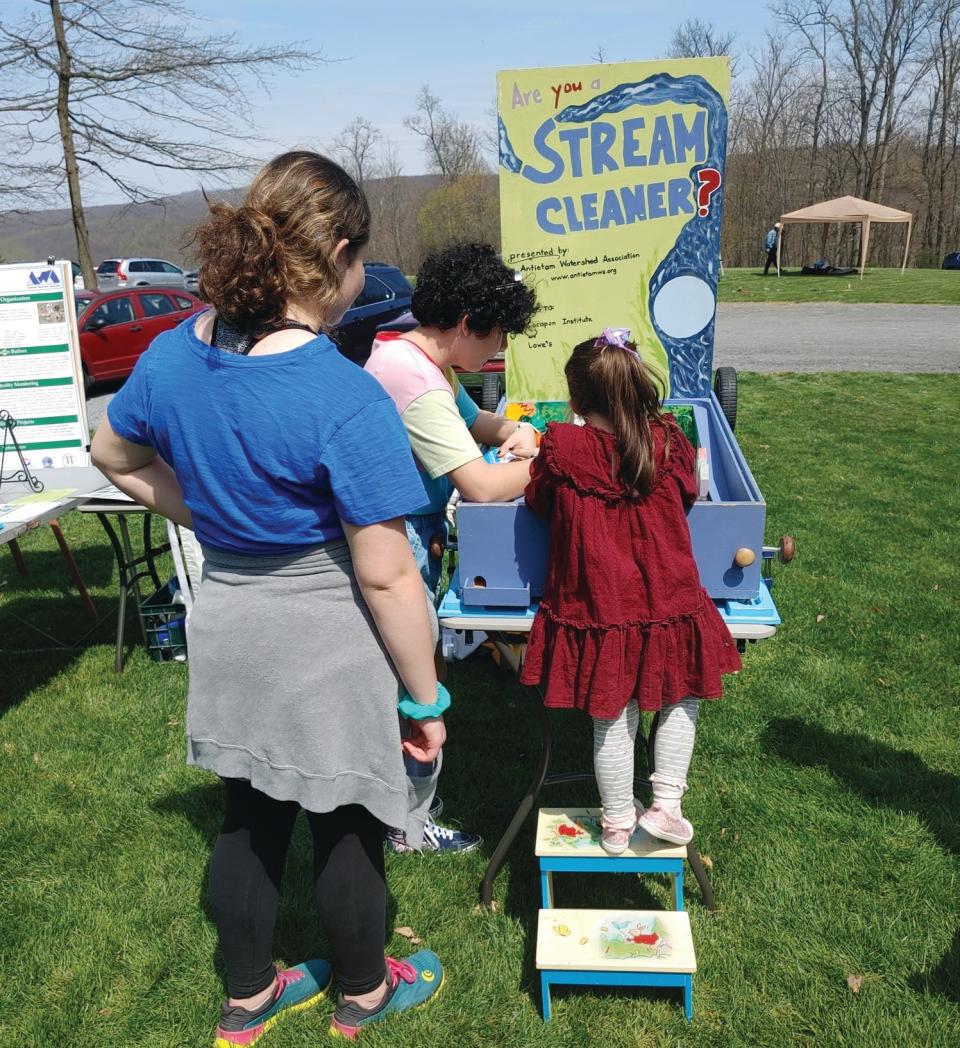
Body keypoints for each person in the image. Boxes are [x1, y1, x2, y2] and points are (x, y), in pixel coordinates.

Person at [91, 151, 445, 1045]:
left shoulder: (174, 354)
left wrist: (200, 509)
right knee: (352, 822)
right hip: (329, 630)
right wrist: (425, 695)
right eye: (360, 257)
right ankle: (364, 991)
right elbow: (387, 573)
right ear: (333, 249)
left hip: (233, 619)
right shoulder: (340, 391)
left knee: (247, 817)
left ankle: (246, 998)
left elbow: (111, 453)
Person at [518, 328, 742, 855]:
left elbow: (537, 500)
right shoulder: (668, 440)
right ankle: (667, 804)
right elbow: (690, 492)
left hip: (600, 606)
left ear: (575, 400)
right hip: (669, 599)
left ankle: (618, 823)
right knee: (680, 696)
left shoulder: (563, 446)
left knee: (612, 713)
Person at [365, 242, 540, 854]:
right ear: (466, 324)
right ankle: (405, 822)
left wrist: (518, 430)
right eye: (496, 337)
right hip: (396, 544)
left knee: (420, 669)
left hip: (412, 536)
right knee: (413, 683)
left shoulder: (421, 360)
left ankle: (409, 807)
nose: (498, 352)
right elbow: (483, 484)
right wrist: (558, 461)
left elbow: (474, 424)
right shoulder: (413, 380)